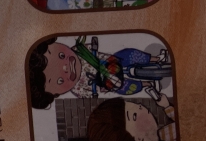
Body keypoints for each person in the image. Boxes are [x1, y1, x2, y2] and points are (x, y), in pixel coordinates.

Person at [28, 37, 164, 110]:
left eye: (61, 55)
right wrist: (95, 92)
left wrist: (94, 49)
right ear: (56, 94)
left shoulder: (79, 50)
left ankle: (156, 59)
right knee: (125, 88)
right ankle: (147, 84)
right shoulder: (78, 90)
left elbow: (94, 51)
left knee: (130, 54)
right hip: (108, 83)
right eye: (60, 81)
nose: (65, 68)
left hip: (112, 62)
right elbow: (91, 94)